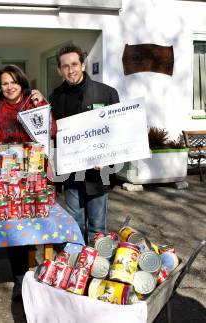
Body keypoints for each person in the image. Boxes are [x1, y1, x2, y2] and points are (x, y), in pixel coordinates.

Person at [0, 64, 56, 301]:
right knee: (14, 224)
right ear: (0, 87)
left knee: (37, 221)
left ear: (21, 83)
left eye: (13, 82)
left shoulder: (34, 101)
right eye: (4, 83)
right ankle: (21, 278)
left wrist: (43, 104)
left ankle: (44, 274)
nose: (9, 87)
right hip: (6, 177)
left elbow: (51, 129)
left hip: (35, 173)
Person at [49, 44, 119, 243]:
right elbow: (53, 134)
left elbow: (116, 132)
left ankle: (97, 269)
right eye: (65, 66)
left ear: (83, 65)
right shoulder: (55, 97)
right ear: (59, 70)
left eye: (74, 64)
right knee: (75, 224)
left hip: (98, 172)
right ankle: (78, 265)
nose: (70, 70)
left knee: (98, 227)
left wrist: (106, 157)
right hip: (71, 172)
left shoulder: (106, 94)